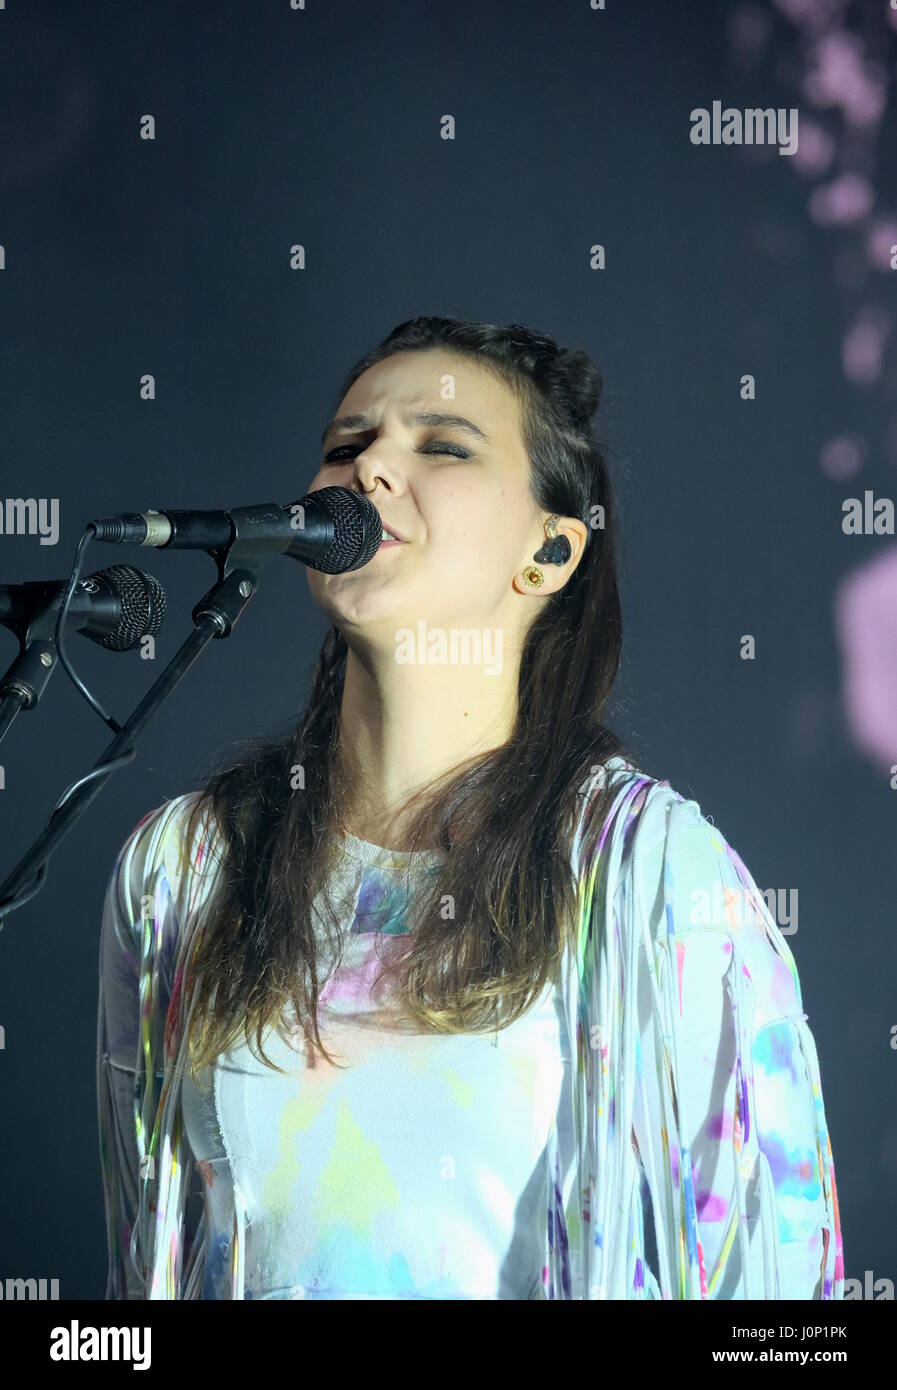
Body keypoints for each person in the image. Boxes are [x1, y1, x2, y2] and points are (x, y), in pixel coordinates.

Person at [97, 315, 843, 1300]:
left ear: (550, 551)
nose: (368, 471)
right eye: (345, 444)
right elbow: (141, 1265)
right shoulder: (186, 868)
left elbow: (785, 1292)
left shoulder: (653, 872)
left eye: (441, 445)